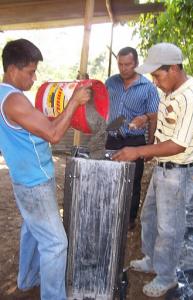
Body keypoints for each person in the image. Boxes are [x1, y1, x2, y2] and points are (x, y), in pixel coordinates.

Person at [112, 42, 193, 297]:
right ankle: (152, 259)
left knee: (170, 228)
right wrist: (145, 119)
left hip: (177, 172)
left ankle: (166, 276)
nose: (154, 81)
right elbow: (165, 122)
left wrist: (138, 151)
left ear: (174, 68)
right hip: (162, 169)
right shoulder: (169, 91)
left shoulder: (192, 97)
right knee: (149, 216)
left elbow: (178, 144)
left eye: (157, 75)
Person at [0, 39, 91, 300]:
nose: (34, 78)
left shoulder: (5, 95)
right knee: (55, 244)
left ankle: (27, 279)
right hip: (35, 182)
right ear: (13, 69)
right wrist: (73, 101)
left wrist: (66, 100)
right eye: (30, 72)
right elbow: (52, 133)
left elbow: (40, 123)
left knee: (32, 229)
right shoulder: (14, 101)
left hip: (24, 179)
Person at [105, 47, 160, 229]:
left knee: (133, 181)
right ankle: (110, 213)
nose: (123, 68)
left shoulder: (149, 88)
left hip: (135, 140)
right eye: (120, 64)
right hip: (112, 138)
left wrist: (150, 145)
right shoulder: (110, 83)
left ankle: (129, 219)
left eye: (127, 64)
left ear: (136, 64)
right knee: (109, 177)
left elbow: (153, 118)